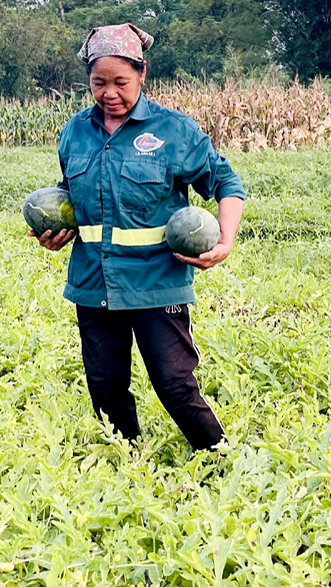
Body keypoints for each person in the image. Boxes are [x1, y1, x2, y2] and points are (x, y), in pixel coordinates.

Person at [32, 23, 245, 450]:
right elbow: (71, 199)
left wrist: (225, 239)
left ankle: (223, 462)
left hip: (157, 283)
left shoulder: (174, 131)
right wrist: (56, 233)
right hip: (94, 284)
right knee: (105, 388)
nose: (109, 93)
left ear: (142, 74)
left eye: (120, 82)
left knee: (174, 385)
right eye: (98, 83)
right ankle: (129, 465)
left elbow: (226, 182)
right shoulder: (75, 132)